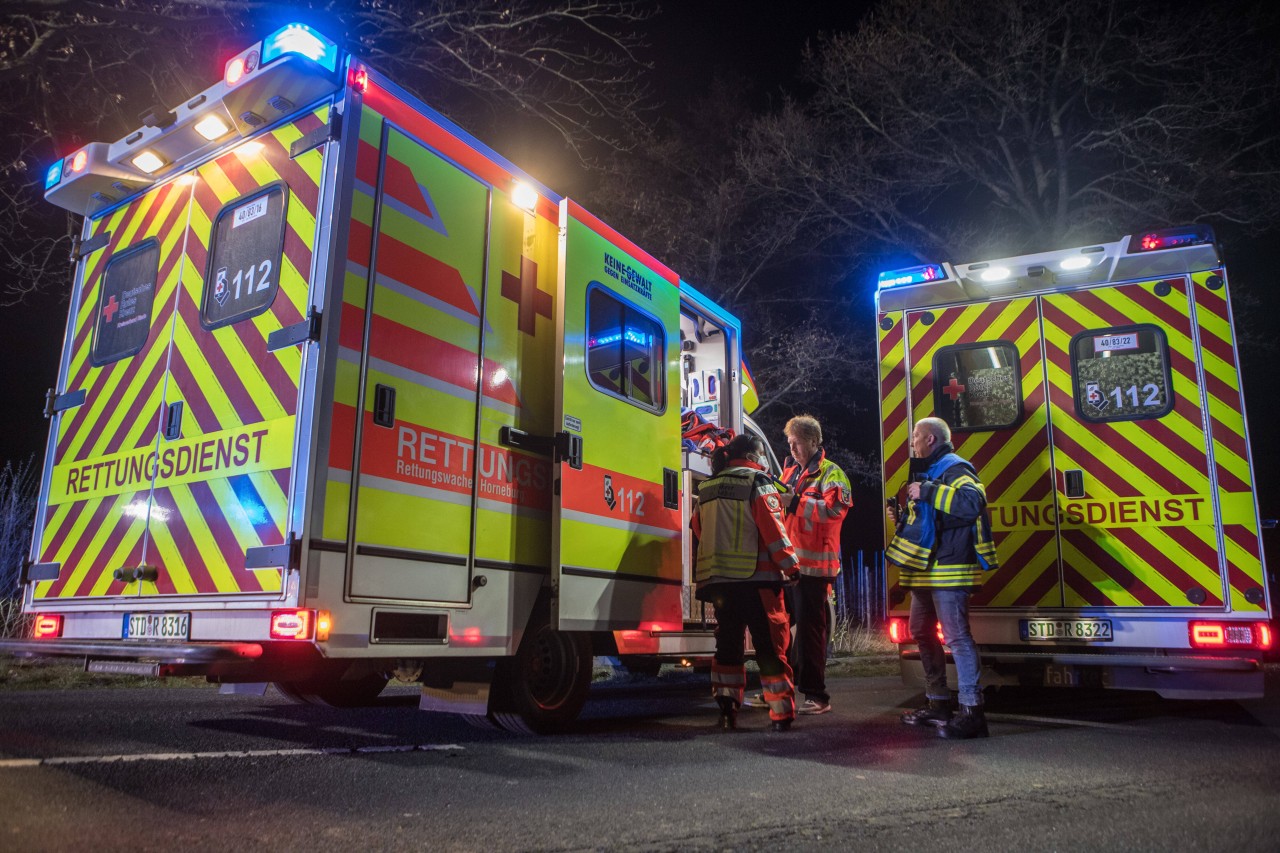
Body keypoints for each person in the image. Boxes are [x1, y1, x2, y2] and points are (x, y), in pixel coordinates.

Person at [885, 416, 999, 739]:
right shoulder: (930, 471)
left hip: (949, 569)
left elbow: (971, 503)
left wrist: (929, 491)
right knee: (920, 629)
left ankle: (972, 712)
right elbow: (930, 522)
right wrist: (903, 516)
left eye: (916, 437)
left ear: (931, 439)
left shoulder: (955, 468)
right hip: (927, 571)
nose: (912, 443)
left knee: (957, 637)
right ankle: (938, 702)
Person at [692, 433, 800, 732]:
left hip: (721, 583)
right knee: (769, 647)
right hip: (758, 581)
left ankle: (727, 710)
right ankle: (782, 713)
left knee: (728, 647)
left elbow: (697, 527)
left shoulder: (708, 486)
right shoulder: (757, 481)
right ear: (754, 455)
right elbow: (772, 528)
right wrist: (791, 567)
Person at [779, 415, 852, 715]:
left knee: (810, 633)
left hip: (815, 569)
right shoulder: (790, 473)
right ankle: (778, 688)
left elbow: (836, 511)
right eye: (790, 443)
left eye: (796, 442)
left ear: (812, 440)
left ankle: (817, 696)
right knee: (778, 629)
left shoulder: (832, 473)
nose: (792, 448)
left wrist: (795, 503)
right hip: (788, 565)